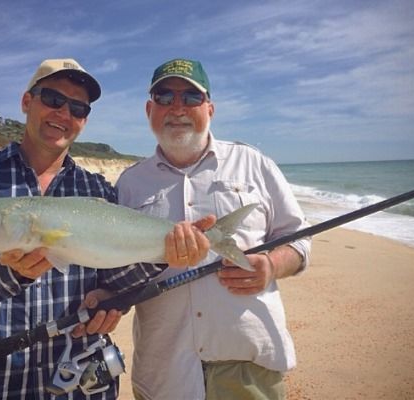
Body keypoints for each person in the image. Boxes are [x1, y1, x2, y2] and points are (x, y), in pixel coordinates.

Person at [0, 58, 210, 399]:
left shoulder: (100, 191)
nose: (64, 113)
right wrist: (6, 270)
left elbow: (113, 279)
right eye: (53, 99)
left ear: (84, 121)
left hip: (78, 384)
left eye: (77, 108)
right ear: (27, 101)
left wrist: (122, 293)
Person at [116, 58, 312, 400]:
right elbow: (117, 269)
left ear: (210, 108)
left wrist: (271, 266)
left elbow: (299, 240)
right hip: (165, 372)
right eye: (164, 97)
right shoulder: (130, 183)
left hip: (248, 367)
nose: (177, 107)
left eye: (191, 97)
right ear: (150, 109)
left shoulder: (254, 163)